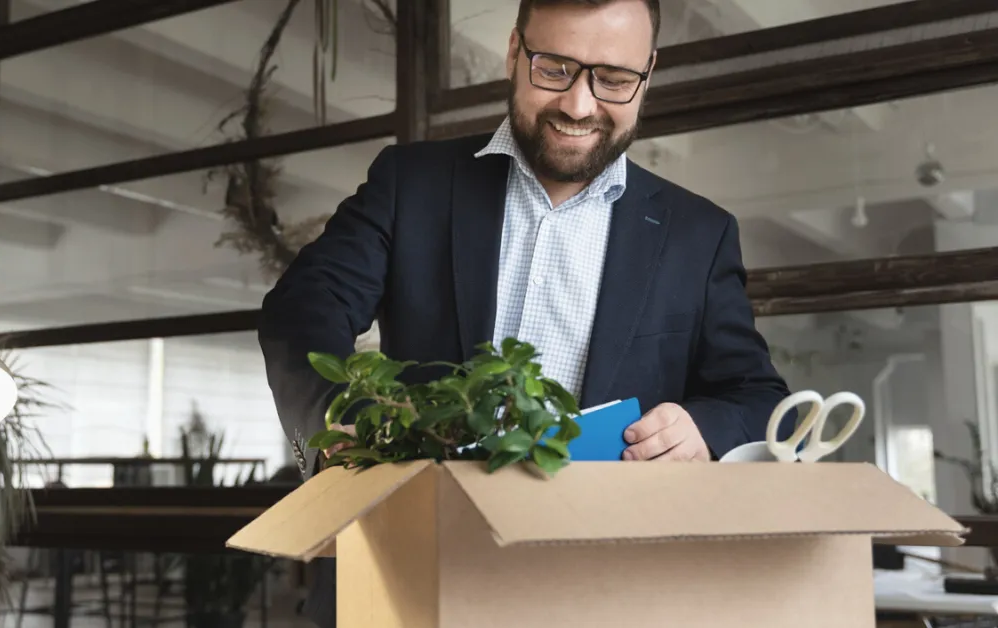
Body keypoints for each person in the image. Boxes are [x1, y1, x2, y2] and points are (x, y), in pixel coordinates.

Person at [258, 1, 792, 625]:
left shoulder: (698, 234)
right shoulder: (412, 182)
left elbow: (756, 397)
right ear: (514, 52)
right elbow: (301, 311)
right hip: (412, 579)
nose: (580, 105)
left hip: (609, 593)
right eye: (555, 68)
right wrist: (339, 422)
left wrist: (705, 428)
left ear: (648, 72)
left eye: (614, 80)